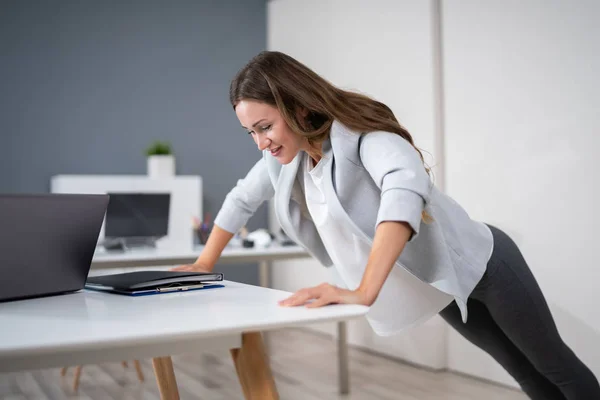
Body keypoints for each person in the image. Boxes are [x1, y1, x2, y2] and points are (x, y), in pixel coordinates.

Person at [172, 51, 599, 399]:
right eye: (250, 132)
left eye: (265, 127)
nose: (260, 142)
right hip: (441, 282)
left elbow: (402, 194)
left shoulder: (366, 139)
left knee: (556, 368)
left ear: (297, 107)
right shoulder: (287, 161)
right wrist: (204, 262)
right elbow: (241, 199)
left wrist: (363, 292)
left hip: (486, 263)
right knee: (524, 374)